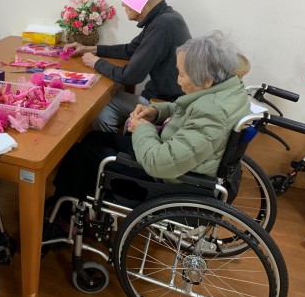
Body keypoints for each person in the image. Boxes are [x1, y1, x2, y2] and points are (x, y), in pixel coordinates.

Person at [50, 31, 251, 207]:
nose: (177, 80)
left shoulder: (212, 113)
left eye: (182, 75)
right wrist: (156, 112)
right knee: (94, 138)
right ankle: (76, 200)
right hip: (176, 156)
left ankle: (63, 216)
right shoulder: (226, 90)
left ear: (206, 80)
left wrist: (142, 128)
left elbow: (160, 164)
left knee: (78, 156)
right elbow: (187, 110)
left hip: (166, 182)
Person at [64, 0, 191, 133]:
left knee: (99, 108)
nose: (123, 4)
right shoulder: (167, 17)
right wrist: (89, 49)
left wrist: (96, 63)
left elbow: (131, 76)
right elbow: (131, 49)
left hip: (164, 105)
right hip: (163, 96)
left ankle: (114, 147)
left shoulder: (161, 26)